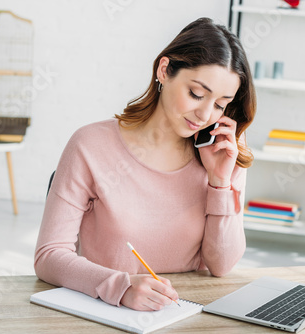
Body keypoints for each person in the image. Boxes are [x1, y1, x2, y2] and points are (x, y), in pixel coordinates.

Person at [34, 17, 256, 311]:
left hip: (186, 314)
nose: (205, 115)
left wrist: (219, 182)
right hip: (108, 313)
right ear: (164, 71)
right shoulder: (90, 145)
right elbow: (48, 256)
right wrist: (121, 287)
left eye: (220, 104)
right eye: (196, 94)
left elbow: (222, 266)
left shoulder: (224, 156)